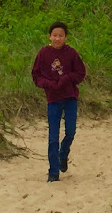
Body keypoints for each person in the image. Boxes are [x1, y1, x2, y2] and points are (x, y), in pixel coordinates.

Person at [32, 21, 86, 182]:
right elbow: (36, 76)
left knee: (70, 131)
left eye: (60, 36)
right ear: (50, 36)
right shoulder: (43, 53)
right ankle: (53, 172)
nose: (57, 38)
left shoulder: (71, 53)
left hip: (70, 97)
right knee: (53, 137)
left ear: (65, 37)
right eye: (54, 35)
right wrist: (48, 84)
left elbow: (80, 73)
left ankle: (63, 155)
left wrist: (66, 79)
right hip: (53, 99)